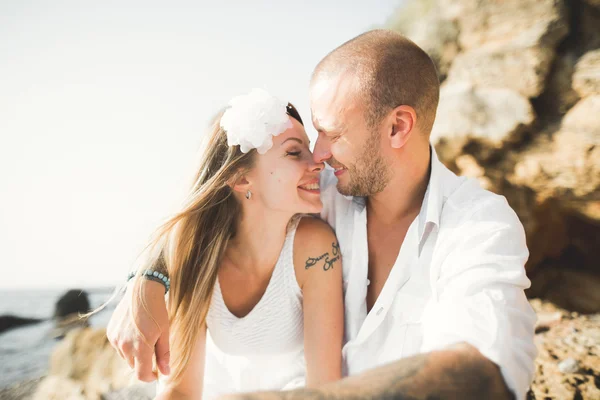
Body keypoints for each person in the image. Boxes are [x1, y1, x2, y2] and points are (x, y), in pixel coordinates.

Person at [108, 30, 537, 400]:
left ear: (398, 127)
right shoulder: (319, 193)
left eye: (333, 133)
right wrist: (146, 280)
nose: (318, 153)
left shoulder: (479, 226)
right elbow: (213, 213)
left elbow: (482, 371)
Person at [114, 89, 344, 399]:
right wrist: (143, 280)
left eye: (308, 149)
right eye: (294, 152)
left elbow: (324, 389)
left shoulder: (313, 248)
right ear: (241, 180)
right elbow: (179, 390)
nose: (317, 162)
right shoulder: (198, 257)